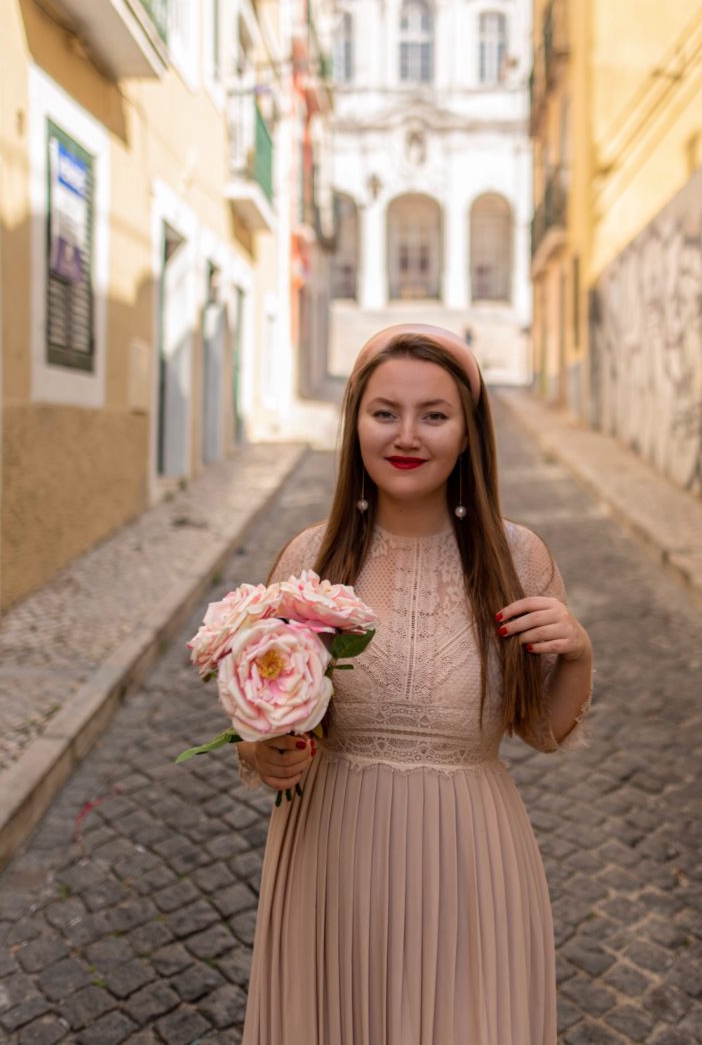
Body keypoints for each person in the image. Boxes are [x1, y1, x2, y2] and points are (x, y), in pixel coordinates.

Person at [238, 325, 594, 1045]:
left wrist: (578, 657)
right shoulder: (308, 560)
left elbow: (542, 732)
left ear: (468, 433)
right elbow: (262, 727)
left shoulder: (517, 558)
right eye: (383, 413)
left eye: (434, 415)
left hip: (470, 861)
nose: (406, 435)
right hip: (331, 859)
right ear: (355, 426)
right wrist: (263, 757)